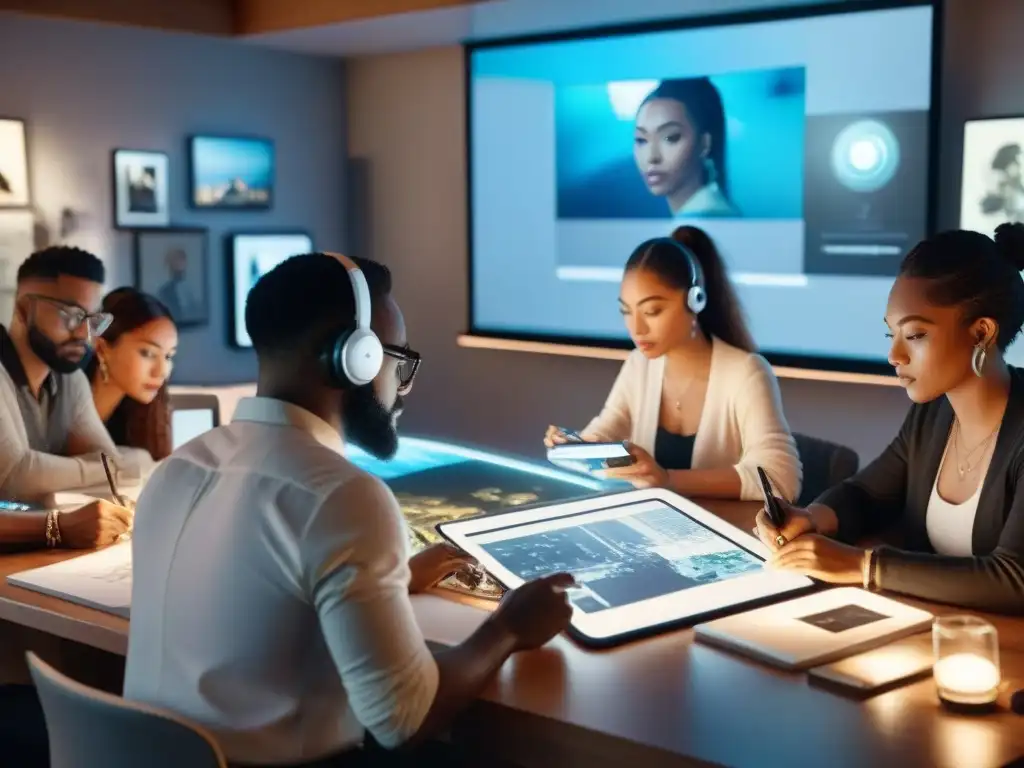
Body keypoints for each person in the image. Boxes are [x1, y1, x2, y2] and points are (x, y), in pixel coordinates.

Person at [124, 252, 573, 767]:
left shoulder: (176, 470)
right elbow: (403, 719)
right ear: (353, 358)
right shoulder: (341, 495)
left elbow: (260, 599)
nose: (400, 384)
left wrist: (394, 577)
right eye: (396, 359)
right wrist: (508, 628)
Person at [756, 223, 1024, 615]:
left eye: (914, 335)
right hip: (937, 632)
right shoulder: (933, 412)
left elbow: (1014, 579)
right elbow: (868, 493)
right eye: (891, 335)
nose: (894, 355)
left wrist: (861, 566)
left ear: (981, 332)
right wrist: (811, 518)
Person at [545, 226, 801, 502]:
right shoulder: (638, 365)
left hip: (724, 531)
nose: (637, 328)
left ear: (695, 301)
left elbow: (780, 477)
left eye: (652, 311)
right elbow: (608, 428)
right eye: (626, 312)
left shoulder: (746, 372)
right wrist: (577, 445)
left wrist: (669, 480)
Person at [0, 244, 143, 520]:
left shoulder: (70, 380)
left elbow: (110, 465)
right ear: (22, 309)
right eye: (71, 315)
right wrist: (93, 468)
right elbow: (13, 479)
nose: (83, 333)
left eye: (90, 319)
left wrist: (48, 472)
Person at [84, 288, 177, 464]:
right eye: (148, 353)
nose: (161, 371)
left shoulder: (147, 414)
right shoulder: (57, 407)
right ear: (103, 349)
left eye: (168, 356)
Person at [633, 78, 739, 218]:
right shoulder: (708, 210)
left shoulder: (704, 217)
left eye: (670, 138)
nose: (652, 157)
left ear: (704, 144)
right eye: (641, 140)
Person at [156, 247, 201, 324]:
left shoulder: (192, 288)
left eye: (181, 260)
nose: (178, 264)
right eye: (175, 260)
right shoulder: (164, 290)